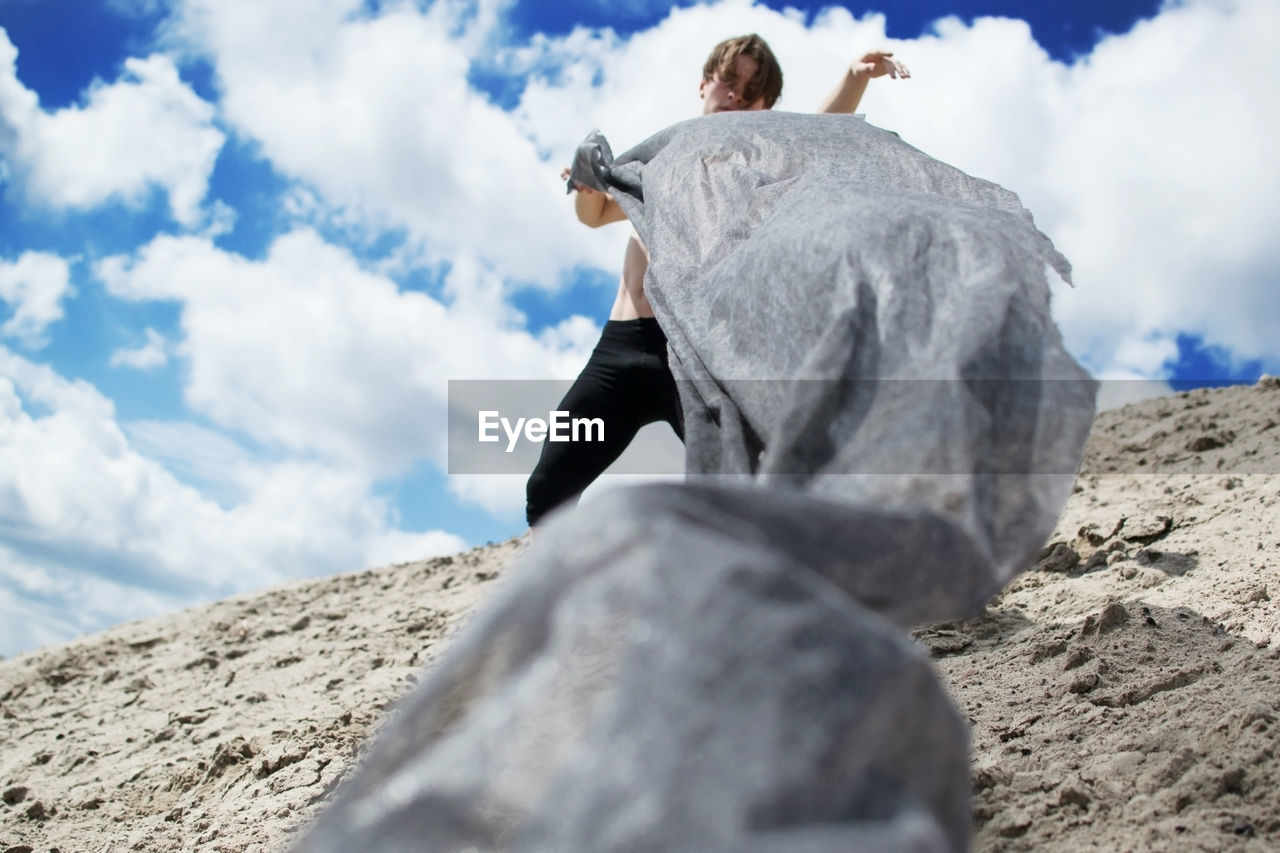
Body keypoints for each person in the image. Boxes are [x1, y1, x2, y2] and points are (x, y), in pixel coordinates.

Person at [525, 34, 909, 527]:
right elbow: (594, 214)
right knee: (548, 488)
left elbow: (817, 133)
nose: (736, 95)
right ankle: (568, 597)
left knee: (739, 492)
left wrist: (854, 78)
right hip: (620, 352)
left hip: (696, 355)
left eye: (752, 91)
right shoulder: (659, 165)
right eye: (729, 81)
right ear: (705, 84)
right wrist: (583, 182)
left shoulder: (752, 167)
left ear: (766, 108)